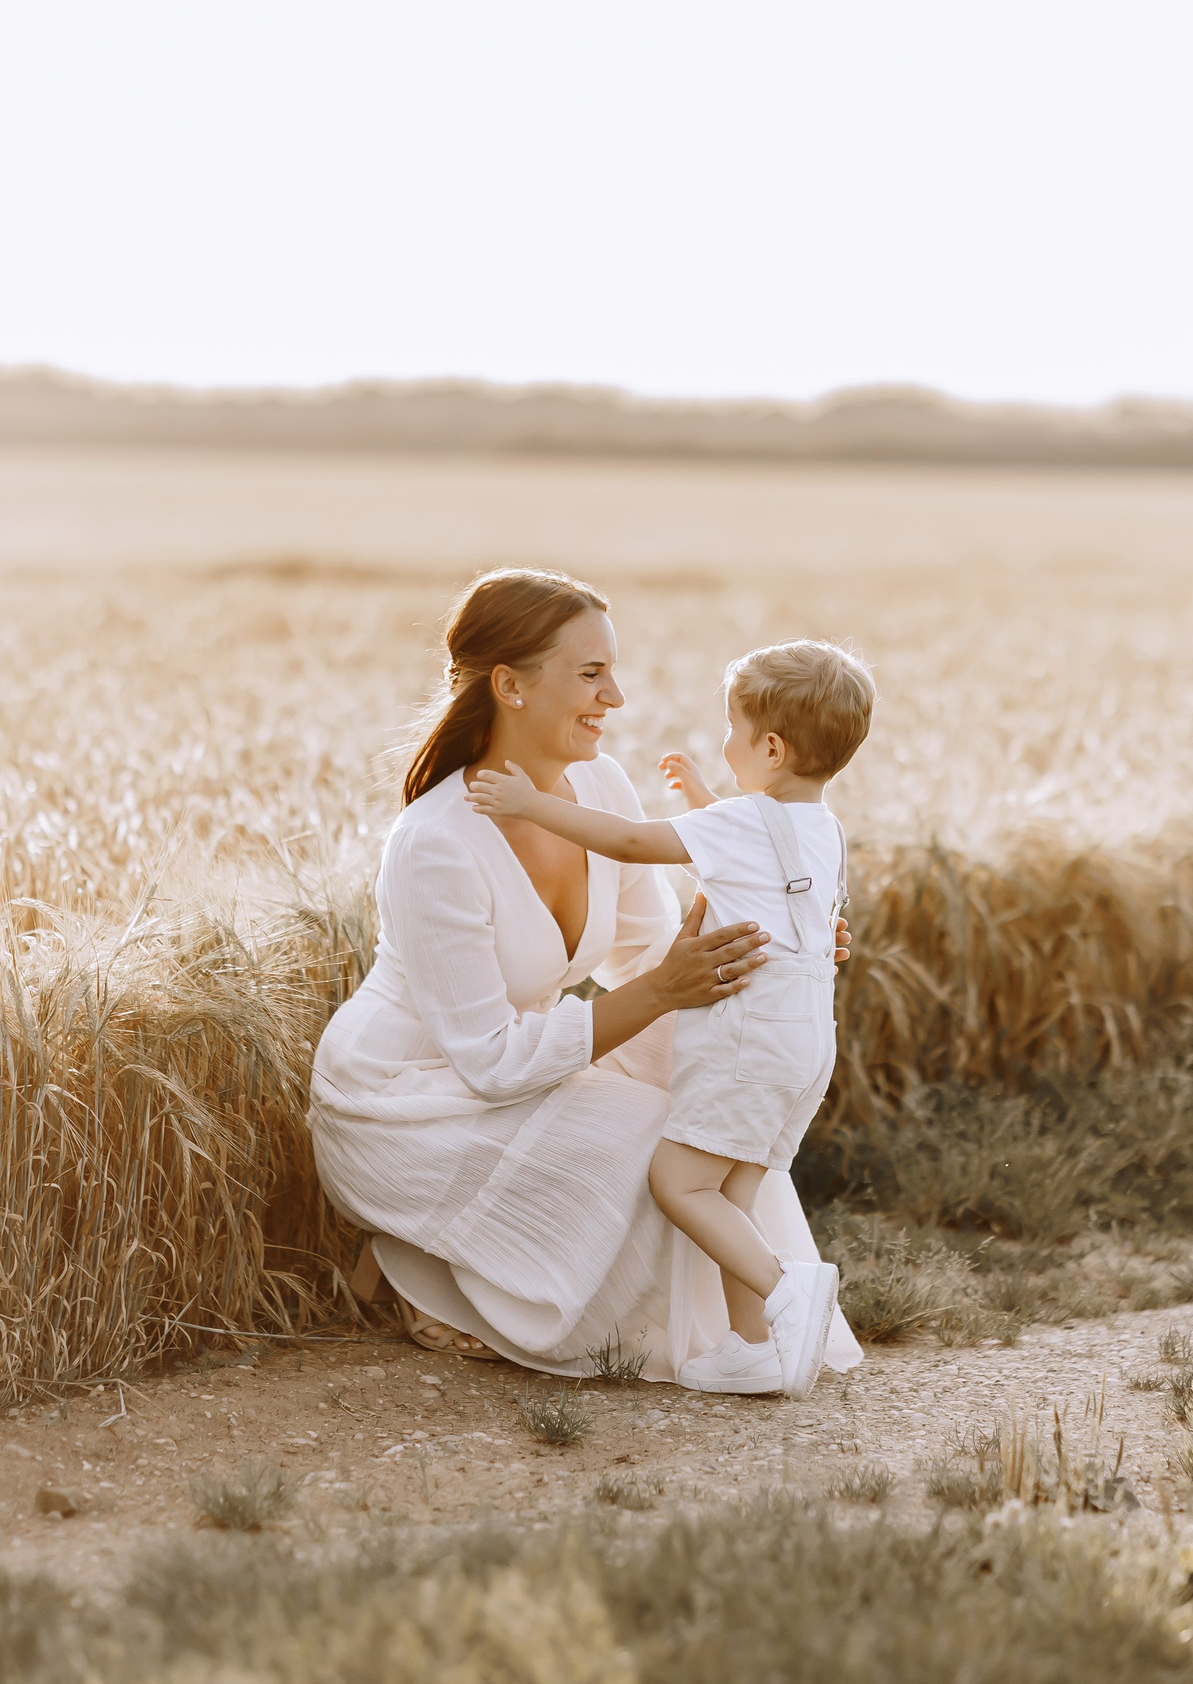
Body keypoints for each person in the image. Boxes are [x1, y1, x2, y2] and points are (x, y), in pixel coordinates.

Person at [305, 568, 863, 1387]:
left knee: (710, 1103)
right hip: (409, 1095)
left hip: (526, 1063)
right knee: (654, 1150)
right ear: (511, 685)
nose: (618, 698)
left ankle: (758, 1337)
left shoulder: (599, 785)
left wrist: (774, 943)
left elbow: (650, 950)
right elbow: (491, 1060)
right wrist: (668, 989)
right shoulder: (434, 842)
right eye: (593, 674)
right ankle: (426, 1266)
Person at [467, 640, 873, 1396]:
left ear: (772, 748)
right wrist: (704, 801)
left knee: (680, 1183)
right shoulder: (822, 828)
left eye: (734, 731)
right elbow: (754, 861)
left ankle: (786, 1288)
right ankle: (751, 1347)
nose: (725, 742)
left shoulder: (743, 823)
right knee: (736, 1193)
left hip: (748, 1039)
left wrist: (531, 805)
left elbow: (629, 841)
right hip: (809, 1039)